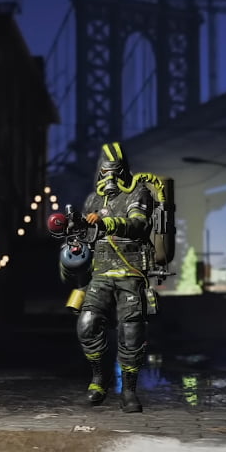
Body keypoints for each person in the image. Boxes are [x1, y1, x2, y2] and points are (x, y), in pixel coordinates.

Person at [70, 142, 156, 413]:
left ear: (124, 171)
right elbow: (86, 236)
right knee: (87, 324)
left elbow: (138, 224)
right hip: (101, 272)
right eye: (106, 172)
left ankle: (129, 391)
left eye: (115, 172)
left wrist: (108, 223)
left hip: (131, 271)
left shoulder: (138, 193)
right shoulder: (94, 200)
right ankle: (98, 378)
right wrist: (74, 234)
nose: (110, 178)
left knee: (131, 332)